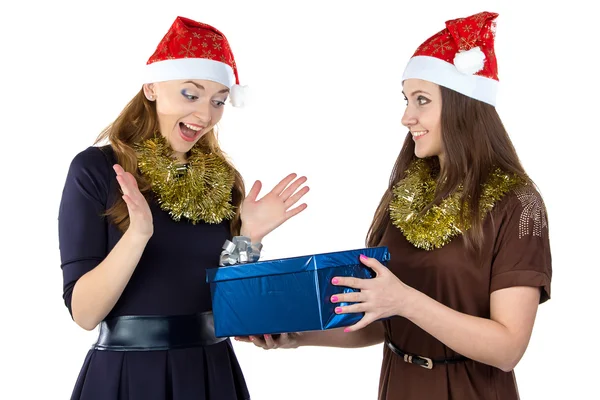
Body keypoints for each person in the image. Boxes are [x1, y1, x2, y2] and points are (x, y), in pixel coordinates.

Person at [241, 11, 551, 400]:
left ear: (464, 105)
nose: (407, 116)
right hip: (399, 385)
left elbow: (508, 349)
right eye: (407, 99)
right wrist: (297, 336)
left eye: (422, 100)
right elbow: (381, 320)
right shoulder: (406, 194)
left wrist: (405, 300)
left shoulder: (519, 205)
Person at [58, 16, 309, 400]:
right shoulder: (96, 170)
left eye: (219, 101)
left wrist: (248, 238)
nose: (206, 116)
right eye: (190, 95)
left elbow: (230, 311)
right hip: (127, 376)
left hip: (211, 372)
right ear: (152, 87)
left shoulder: (223, 180)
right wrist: (138, 234)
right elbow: (85, 314)